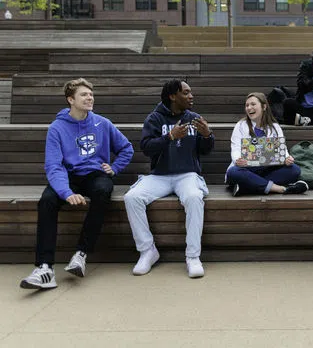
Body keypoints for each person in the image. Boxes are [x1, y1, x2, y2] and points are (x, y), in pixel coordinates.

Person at [20, 78, 133, 290]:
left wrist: (115, 168)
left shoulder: (102, 123)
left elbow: (127, 148)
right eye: (84, 94)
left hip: (95, 174)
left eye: (91, 94)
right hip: (67, 175)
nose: (89, 97)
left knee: (102, 190)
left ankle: (81, 254)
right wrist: (66, 192)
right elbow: (54, 166)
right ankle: (45, 268)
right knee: (47, 201)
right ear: (70, 99)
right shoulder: (57, 128)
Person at [124, 79, 214, 278]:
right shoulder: (154, 119)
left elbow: (205, 150)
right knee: (132, 198)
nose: (191, 96)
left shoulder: (194, 118)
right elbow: (146, 148)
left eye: (191, 92)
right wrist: (169, 137)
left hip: (188, 174)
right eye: (186, 92)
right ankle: (148, 251)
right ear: (173, 96)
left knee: (193, 198)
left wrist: (207, 135)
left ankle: (192, 256)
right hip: (160, 176)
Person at [226, 92, 308, 196]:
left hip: (268, 168)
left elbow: (282, 148)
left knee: (295, 170)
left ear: (264, 107)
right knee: (233, 172)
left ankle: (246, 187)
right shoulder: (240, 126)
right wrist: (238, 160)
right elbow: (235, 148)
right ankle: (280, 189)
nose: (249, 108)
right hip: (248, 168)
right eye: (247, 105)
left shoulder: (275, 127)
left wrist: (287, 158)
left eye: (253, 104)